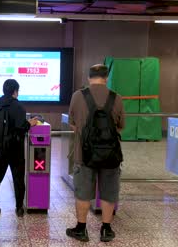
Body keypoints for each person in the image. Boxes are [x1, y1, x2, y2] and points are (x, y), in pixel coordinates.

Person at [66, 64, 125, 243]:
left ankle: (81, 229)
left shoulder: (78, 96)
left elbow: (73, 123)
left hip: (84, 155)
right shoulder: (117, 98)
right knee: (109, 192)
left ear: (89, 77)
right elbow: (121, 125)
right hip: (110, 155)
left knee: (83, 192)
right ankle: (106, 229)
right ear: (106, 78)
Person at [0, 79, 38, 218]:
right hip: (15, 149)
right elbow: (21, 128)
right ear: (15, 91)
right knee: (18, 178)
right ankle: (19, 208)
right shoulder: (19, 106)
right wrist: (30, 123)